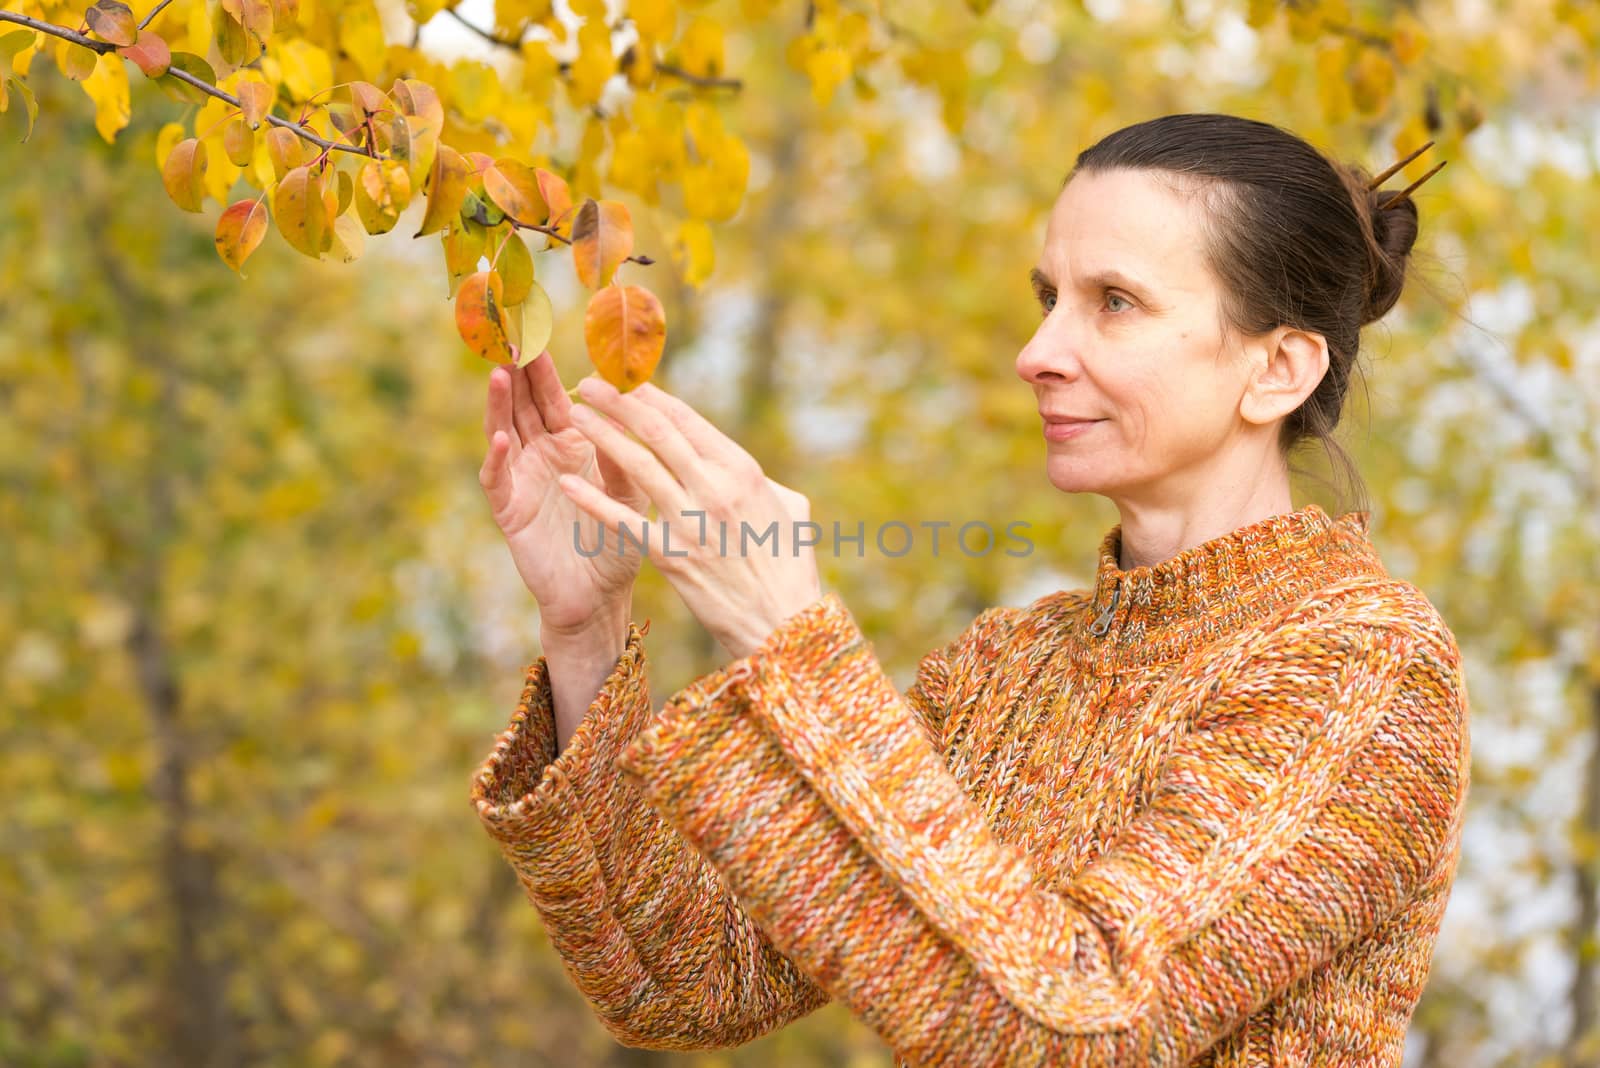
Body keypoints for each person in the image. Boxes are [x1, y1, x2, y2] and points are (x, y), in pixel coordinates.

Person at [468, 113, 1469, 1067]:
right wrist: (587, 630)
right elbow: (682, 981)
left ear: (1277, 367)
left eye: (1113, 302)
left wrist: (787, 639)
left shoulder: (1361, 665)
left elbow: (1070, 1033)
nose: (1037, 355)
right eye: (1049, 298)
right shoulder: (1006, 666)